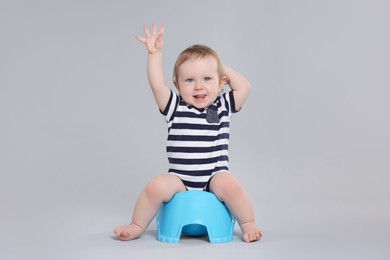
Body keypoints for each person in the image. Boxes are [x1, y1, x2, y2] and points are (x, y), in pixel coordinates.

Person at [114, 24, 262, 243]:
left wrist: (220, 65)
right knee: (156, 186)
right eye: (189, 80)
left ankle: (248, 223)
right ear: (178, 85)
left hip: (213, 177)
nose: (198, 87)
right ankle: (136, 225)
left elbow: (245, 87)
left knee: (231, 185)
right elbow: (157, 85)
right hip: (180, 179)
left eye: (207, 79)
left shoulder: (222, 106)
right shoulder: (175, 106)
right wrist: (155, 55)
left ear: (222, 82)